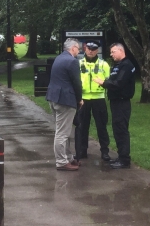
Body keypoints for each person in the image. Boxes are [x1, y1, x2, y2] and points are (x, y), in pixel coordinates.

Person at [93, 43, 135, 169]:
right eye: (111, 52)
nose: (111, 54)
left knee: (121, 130)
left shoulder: (127, 65)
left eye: (113, 52)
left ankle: (124, 160)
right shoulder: (118, 66)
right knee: (117, 129)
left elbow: (118, 83)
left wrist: (103, 83)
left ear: (121, 51)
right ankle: (121, 156)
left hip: (122, 102)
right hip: (116, 102)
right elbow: (113, 81)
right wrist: (108, 83)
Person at [46, 38, 83, 171]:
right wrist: (80, 99)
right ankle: (62, 161)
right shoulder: (72, 61)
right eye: (78, 48)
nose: (78, 51)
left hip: (54, 97)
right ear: (73, 48)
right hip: (65, 100)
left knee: (63, 130)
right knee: (62, 133)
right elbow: (77, 83)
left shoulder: (59, 58)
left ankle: (68, 157)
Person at [75, 42, 112, 162]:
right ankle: (82, 151)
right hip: (83, 98)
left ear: (97, 50)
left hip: (98, 98)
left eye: (94, 49)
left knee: (101, 126)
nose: (91, 51)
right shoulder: (79, 63)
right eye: (89, 49)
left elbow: (109, 80)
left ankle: (105, 151)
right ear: (85, 49)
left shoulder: (103, 64)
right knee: (82, 126)